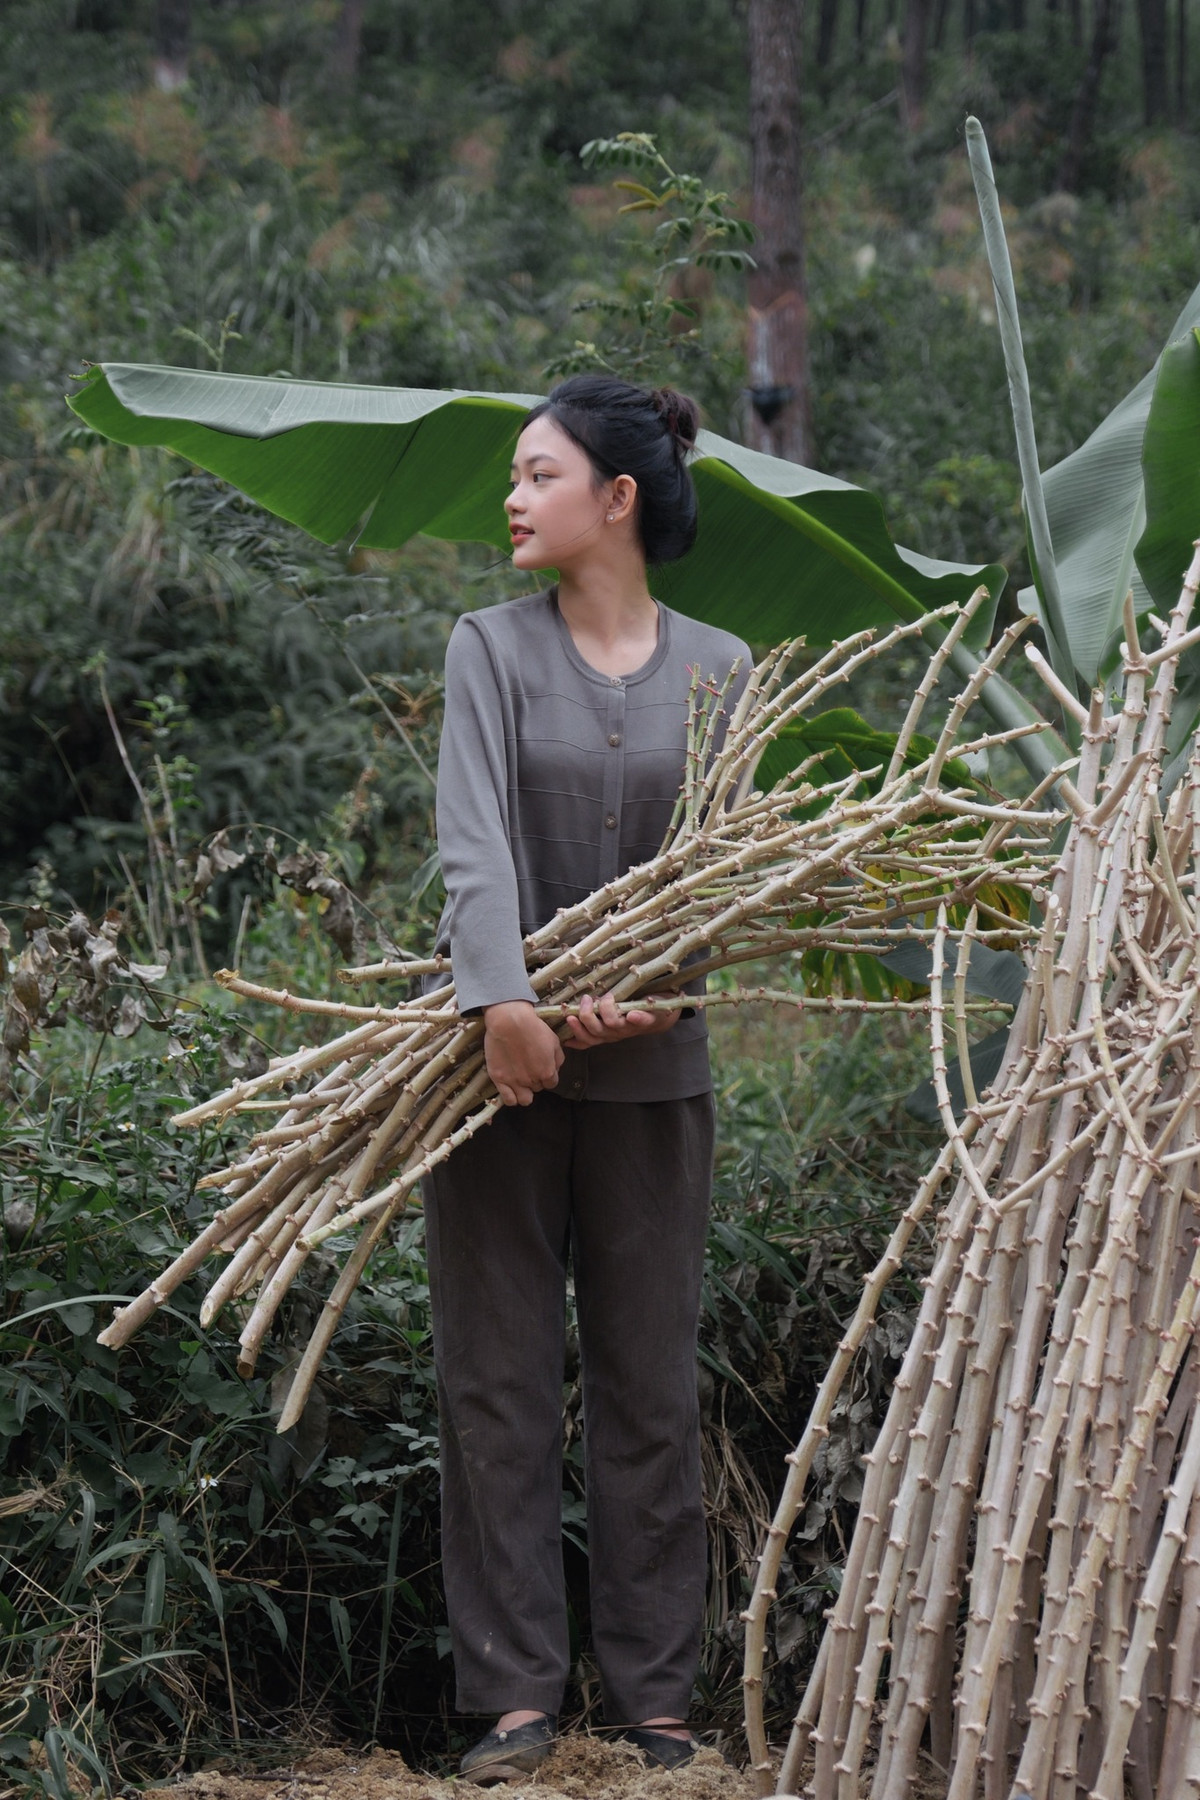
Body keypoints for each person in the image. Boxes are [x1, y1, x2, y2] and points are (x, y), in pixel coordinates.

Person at [424, 374, 750, 1786]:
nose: (512, 496)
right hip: (492, 1079)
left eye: (538, 474)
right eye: (514, 474)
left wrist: (654, 993)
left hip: (656, 1077)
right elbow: (473, 839)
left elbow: (724, 881)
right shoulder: (485, 650)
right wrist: (506, 1002)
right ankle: (511, 1700)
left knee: (648, 1389)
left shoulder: (723, 670)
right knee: (495, 1387)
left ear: (616, 498)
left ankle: (653, 1700)